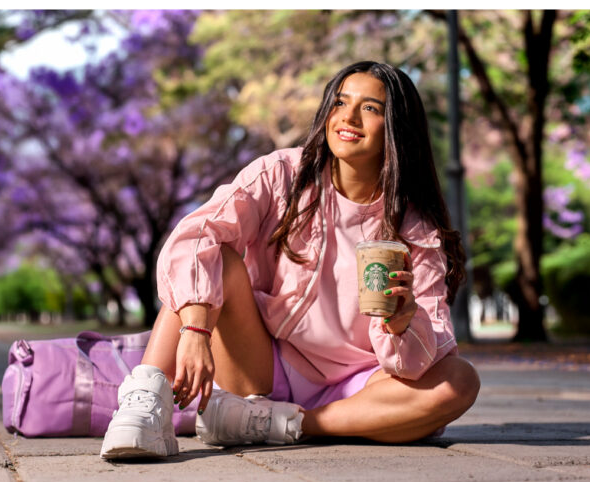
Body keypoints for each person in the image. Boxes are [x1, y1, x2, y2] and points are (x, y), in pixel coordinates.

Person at [100, 61, 481, 459]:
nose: (348, 117)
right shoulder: (281, 174)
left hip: (360, 384)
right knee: (216, 258)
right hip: (262, 362)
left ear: (397, 128)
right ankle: (145, 401)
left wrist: (405, 323)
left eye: (370, 108)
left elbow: (421, 359)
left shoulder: (417, 229)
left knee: (459, 380)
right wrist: (196, 331)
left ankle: (281, 423)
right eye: (339, 102)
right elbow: (195, 237)